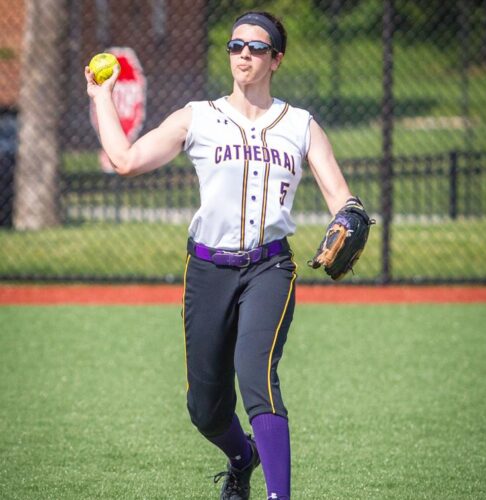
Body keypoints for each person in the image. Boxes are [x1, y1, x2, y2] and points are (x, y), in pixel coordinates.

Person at [86, 11, 356, 500]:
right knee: (205, 408)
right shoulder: (199, 116)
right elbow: (125, 160)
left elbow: (341, 194)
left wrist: (349, 216)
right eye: (235, 46)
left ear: (277, 59)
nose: (243, 55)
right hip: (208, 269)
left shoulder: (300, 125)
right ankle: (241, 457)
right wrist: (101, 97)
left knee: (257, 376)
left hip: (269, 267)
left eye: (255, 47)